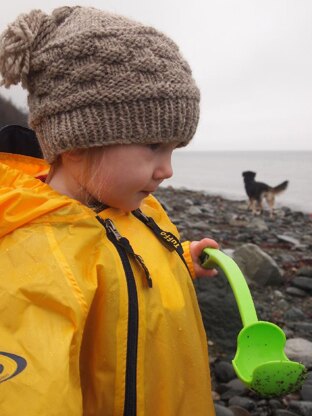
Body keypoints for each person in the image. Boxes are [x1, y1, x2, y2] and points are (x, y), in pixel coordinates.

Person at [0, 6, 219, 415]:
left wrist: (179, 262)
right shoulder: (32, 259)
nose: (167, 170)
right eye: (154, 146)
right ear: (78, 143)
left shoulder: (135, 207)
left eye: (174, 149)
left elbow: (114, 273)